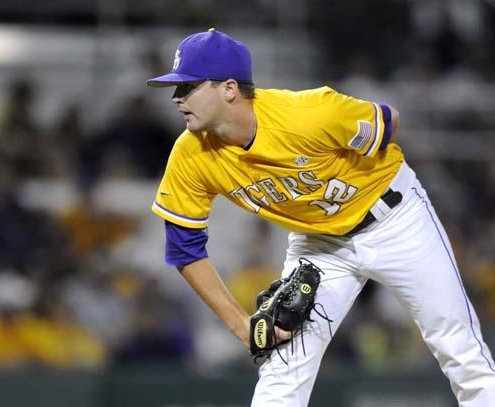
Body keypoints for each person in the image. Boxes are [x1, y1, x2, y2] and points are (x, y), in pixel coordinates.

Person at [145, 28, 495, 406]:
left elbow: (388, 122)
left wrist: (346, 169)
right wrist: (240, 325)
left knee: (458, 347)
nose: (177, 98)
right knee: (283, 367)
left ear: (229, 88)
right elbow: (184, 249)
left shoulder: (310, 113)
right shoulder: (190, 154)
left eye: (188, 87)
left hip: (397, 220)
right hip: (320, 244)